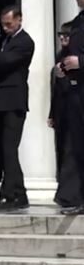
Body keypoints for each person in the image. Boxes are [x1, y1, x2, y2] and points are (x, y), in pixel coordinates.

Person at [0, 5, 34, 212]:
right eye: (3, 24)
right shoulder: (4, 40)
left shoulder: (24, 42)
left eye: (9, 24)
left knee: (9, 148)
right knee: (1, 149)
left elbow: (3, 62)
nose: (5, 28)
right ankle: (19, 193)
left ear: (19, 20)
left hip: (13, 102)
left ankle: (9, 194)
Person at [59, 0, 84, 215]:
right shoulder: (77, 22)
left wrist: (81, 62)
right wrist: (63, 64)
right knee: (78, 147)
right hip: (76, 91)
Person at [48, 22, 81, 208]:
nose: (62, 38)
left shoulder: (74, 57)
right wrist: (52, 113)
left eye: (66, 35)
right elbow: (56, 91)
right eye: (60, 35)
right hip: (63, 110)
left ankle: (68, 195)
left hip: (75, 107)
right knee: (63, 150)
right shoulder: (61, 56)